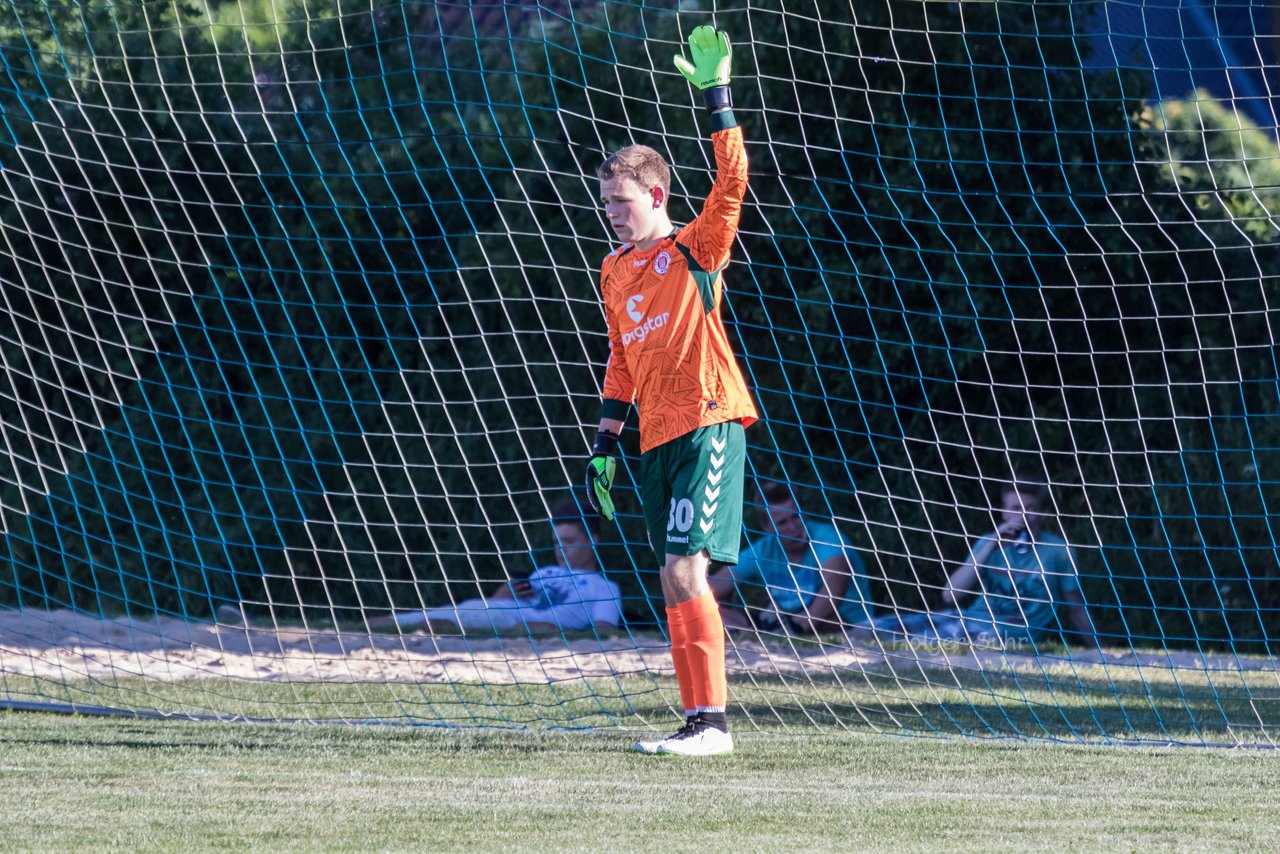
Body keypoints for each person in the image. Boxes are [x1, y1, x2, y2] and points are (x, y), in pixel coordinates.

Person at [583, 25, 754, 757]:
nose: (612, 212)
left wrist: (715, 99)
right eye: (605, 202)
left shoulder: (696, 246)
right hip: (653, 434)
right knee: (671, 577)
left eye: (622, 201)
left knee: (687, 568)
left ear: (655, 194)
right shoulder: (614, 269)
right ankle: (696, 720)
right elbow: (621, 361)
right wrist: (605, 442)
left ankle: (713, 725)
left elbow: (734, 182)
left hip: (710, 420)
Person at [858, 479, 1098, 649]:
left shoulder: (1058, 551)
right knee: (872, 628)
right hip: (969, 617)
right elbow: (950, 595)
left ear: (1043, 514)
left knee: (915, 644)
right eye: (1016, 508)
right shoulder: (988, 541)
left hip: (1010, 634)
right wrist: (991, 546)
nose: (1023, 516)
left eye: (1031, 509)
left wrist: (1097, 649)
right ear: (1003, 513)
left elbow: (1075, 607)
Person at [367, 500, 621, 635]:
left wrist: (552, 629)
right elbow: (499, 601)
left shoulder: (604, 587)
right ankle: (351, 628)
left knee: (437, 622)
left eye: (569, 541)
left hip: (519, 623)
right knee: (412, 618)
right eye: (556, 542)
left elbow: (605, 632)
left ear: (592, 541)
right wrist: (507, 591)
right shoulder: (544, 572)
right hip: (493, 608)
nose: (560, 549)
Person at [709, 482, 872, 635]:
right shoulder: (764, 549)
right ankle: (759, 633)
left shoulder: (828, 539)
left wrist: (798, 625)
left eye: (796, 517)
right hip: (783, 623)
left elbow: (834, 589)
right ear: (767, 527)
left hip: (843, 624)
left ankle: (777, 630)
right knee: (707, 609)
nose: (793, 528)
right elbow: (712, 587)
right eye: (782, 523)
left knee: (823, 618)